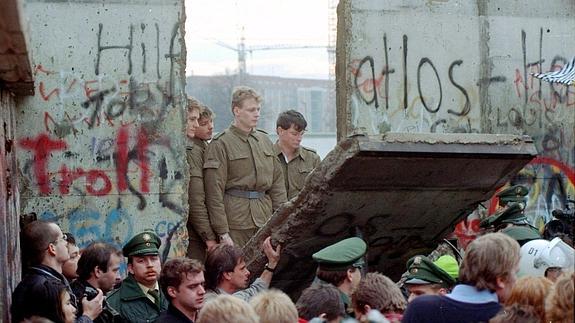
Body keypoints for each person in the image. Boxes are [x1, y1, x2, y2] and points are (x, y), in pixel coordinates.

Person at [204, 86, 287, 247]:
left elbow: (277, 184)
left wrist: (280, 221)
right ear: (237, 111)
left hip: (265, 219)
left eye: (258, 109)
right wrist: (222, 232)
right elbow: (214, 192)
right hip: (236, 222)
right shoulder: (221, 143)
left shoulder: (264, 140)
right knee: (236, 268)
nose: (257, 114)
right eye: (251, 110)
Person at [402, 232, 521, 323]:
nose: (516, 280)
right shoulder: (511, 318)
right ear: (500, 280)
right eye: (515, 272)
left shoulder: (420, 309)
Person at [11, 220, 103, 323]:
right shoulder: (42, 287)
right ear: (52, 248)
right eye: (62, 238)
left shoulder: (47, 280)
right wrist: (88, 316)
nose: (66, 243)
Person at [107, 231, 168, 322]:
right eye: (141, 261)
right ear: (131, 268)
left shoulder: (174, 291)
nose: (150, 265)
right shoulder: (114, 303)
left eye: (154, 259)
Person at [204, 236, 280, 302]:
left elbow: (255, 291)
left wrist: (271, 265)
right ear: (227, 274)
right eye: (242, 269)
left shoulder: (224, 295)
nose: (247, 272)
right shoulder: (212, 303)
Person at [186, 103, 218, 260]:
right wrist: (209, 237)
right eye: (204, 123)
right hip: (196, 233)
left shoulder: (204, 146)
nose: (210, 127)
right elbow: (196, 198)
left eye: (211, 122)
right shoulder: (193, 150)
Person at [312, 237, 367, 317]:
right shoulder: (341, 313)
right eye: (359, 268)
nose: (360, 274)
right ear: (350, 274)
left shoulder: (313, 303)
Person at [274, 110, 321, 200]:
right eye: (294, 134)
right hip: (274, 211)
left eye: (302, 134)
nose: (299, 138)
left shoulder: (312, 159)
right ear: (280, 131)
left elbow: (320, 190)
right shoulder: (267, 157)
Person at [70, 242, 123, 322]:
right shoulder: (82, 302)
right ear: (98, 271)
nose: (119, 277)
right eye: (115, 271)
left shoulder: (90, 296)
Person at [157, 258, 206, 322]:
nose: (202, 291)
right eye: (193, 287)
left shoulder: (209, 318)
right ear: (172, 292)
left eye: (202, 284)